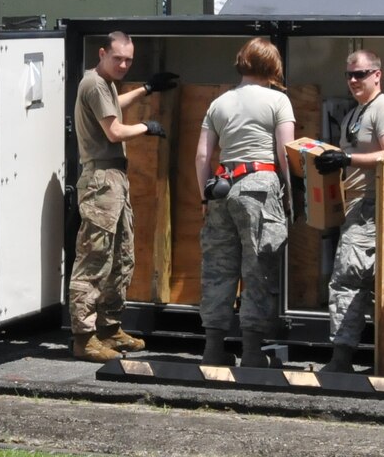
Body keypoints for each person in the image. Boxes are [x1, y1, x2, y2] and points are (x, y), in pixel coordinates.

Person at [68, 31, 177, 363]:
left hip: (114, 177)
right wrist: (146, 127)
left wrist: (146, 89)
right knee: (95, 258)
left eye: (129, 59)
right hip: (101, 179)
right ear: (102, 53)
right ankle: (84, 338)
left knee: (121, 256)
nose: (124, 64)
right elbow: (114, 130)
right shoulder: (95, 84)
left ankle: (109, 329)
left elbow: (113, 107)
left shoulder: (105, 85)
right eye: (118, 58)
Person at [196, 38, 294, 368]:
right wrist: (292, 196)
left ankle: (212, 350)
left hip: (222, 187)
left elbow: (202, 156)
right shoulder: (278, 102)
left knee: (218, 270)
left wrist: (203, 198)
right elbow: (286, 153)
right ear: (273, 66)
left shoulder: (219, 103)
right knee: (258, 270)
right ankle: (252, 352)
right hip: (259, 187)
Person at [316, 48, 384, 372]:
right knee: (354, 281)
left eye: (361, 74)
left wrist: (347, 159)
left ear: (377, 75)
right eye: (349, 75)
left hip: (371, 208)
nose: (354, 80)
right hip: (355, 207)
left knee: (347, 279)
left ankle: (342, 359)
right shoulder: (359, 111)